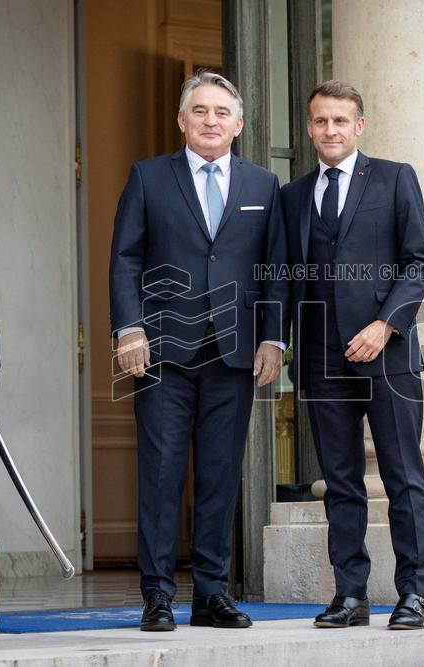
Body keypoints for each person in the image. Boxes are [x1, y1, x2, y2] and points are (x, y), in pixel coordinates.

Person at [109, 71, 290, 632]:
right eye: (200, 111)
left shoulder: (264, 185)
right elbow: (125, 260)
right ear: (182, 121)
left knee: (219, 475)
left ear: (239, 125)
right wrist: (128, 329)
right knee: (161, 476)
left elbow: (275, 270)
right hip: (163, 351)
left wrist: (273, 337)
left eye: (221, 112)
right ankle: (158, 595)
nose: (211, 121)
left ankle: (212, 594)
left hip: (234, 353)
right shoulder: (148, 178)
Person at [281, 80, 424, 630]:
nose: (330, 131)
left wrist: (385, 325)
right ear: (309, 126)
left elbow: (419, 263)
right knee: (340, 483)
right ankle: (351, 595)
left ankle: (413, 594)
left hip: (387, 358)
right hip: (321, 360)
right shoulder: (292, 195)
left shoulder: (395, 178)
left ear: (359, 125)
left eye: (340, 121)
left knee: (402, 478)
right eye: (320, 121)